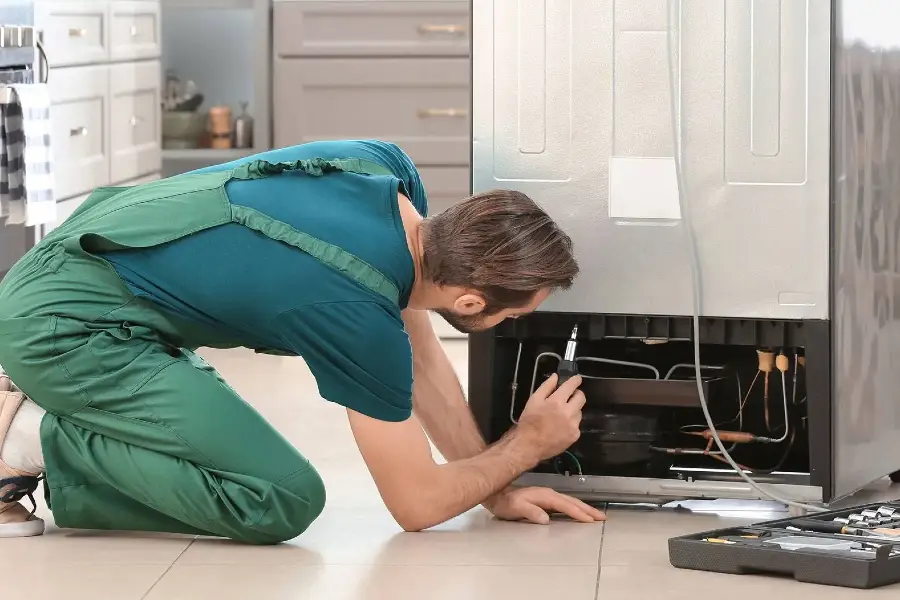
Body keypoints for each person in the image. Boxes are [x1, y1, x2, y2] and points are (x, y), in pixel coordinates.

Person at [0, 139, 603, 543]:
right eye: (514, 315)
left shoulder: (385, 170)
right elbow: (415, 506)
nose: (511, 325)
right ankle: (23, 438)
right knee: (278, 499)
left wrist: (492, 488)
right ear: (471, 303)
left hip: (82, 262)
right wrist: (526, 445)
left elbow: (420, 356)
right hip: (65, 328)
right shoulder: (355, 309)